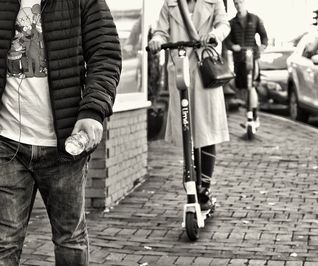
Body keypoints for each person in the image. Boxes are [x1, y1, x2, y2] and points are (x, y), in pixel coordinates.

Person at [0, 0, 121, 265]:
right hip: (6, 144)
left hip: (65, 144)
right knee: (4, 243)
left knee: (70, 240)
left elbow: (105, 54)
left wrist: (92, 111)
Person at [148, 0, 231, 210]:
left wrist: (214, 35)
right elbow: (161, 30)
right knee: (188, 130)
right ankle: (192, 182)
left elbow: (224, 24)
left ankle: (205, 188)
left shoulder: (213, 2)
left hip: (204, 69)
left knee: (206, 130)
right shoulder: (171, 4)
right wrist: (157, 40)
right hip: (180, 69)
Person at [225, 0, 268, 128]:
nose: (239, 5)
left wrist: (263, 46)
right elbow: (227, 41)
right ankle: (249, 113)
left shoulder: (254, 19)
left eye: (240, 2)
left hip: (253, 58)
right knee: (243, 88)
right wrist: (233, 46)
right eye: (236, 3)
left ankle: (253, 115)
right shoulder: (231, 23)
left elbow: (264, 36)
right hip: (239, 59)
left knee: (252, 86)